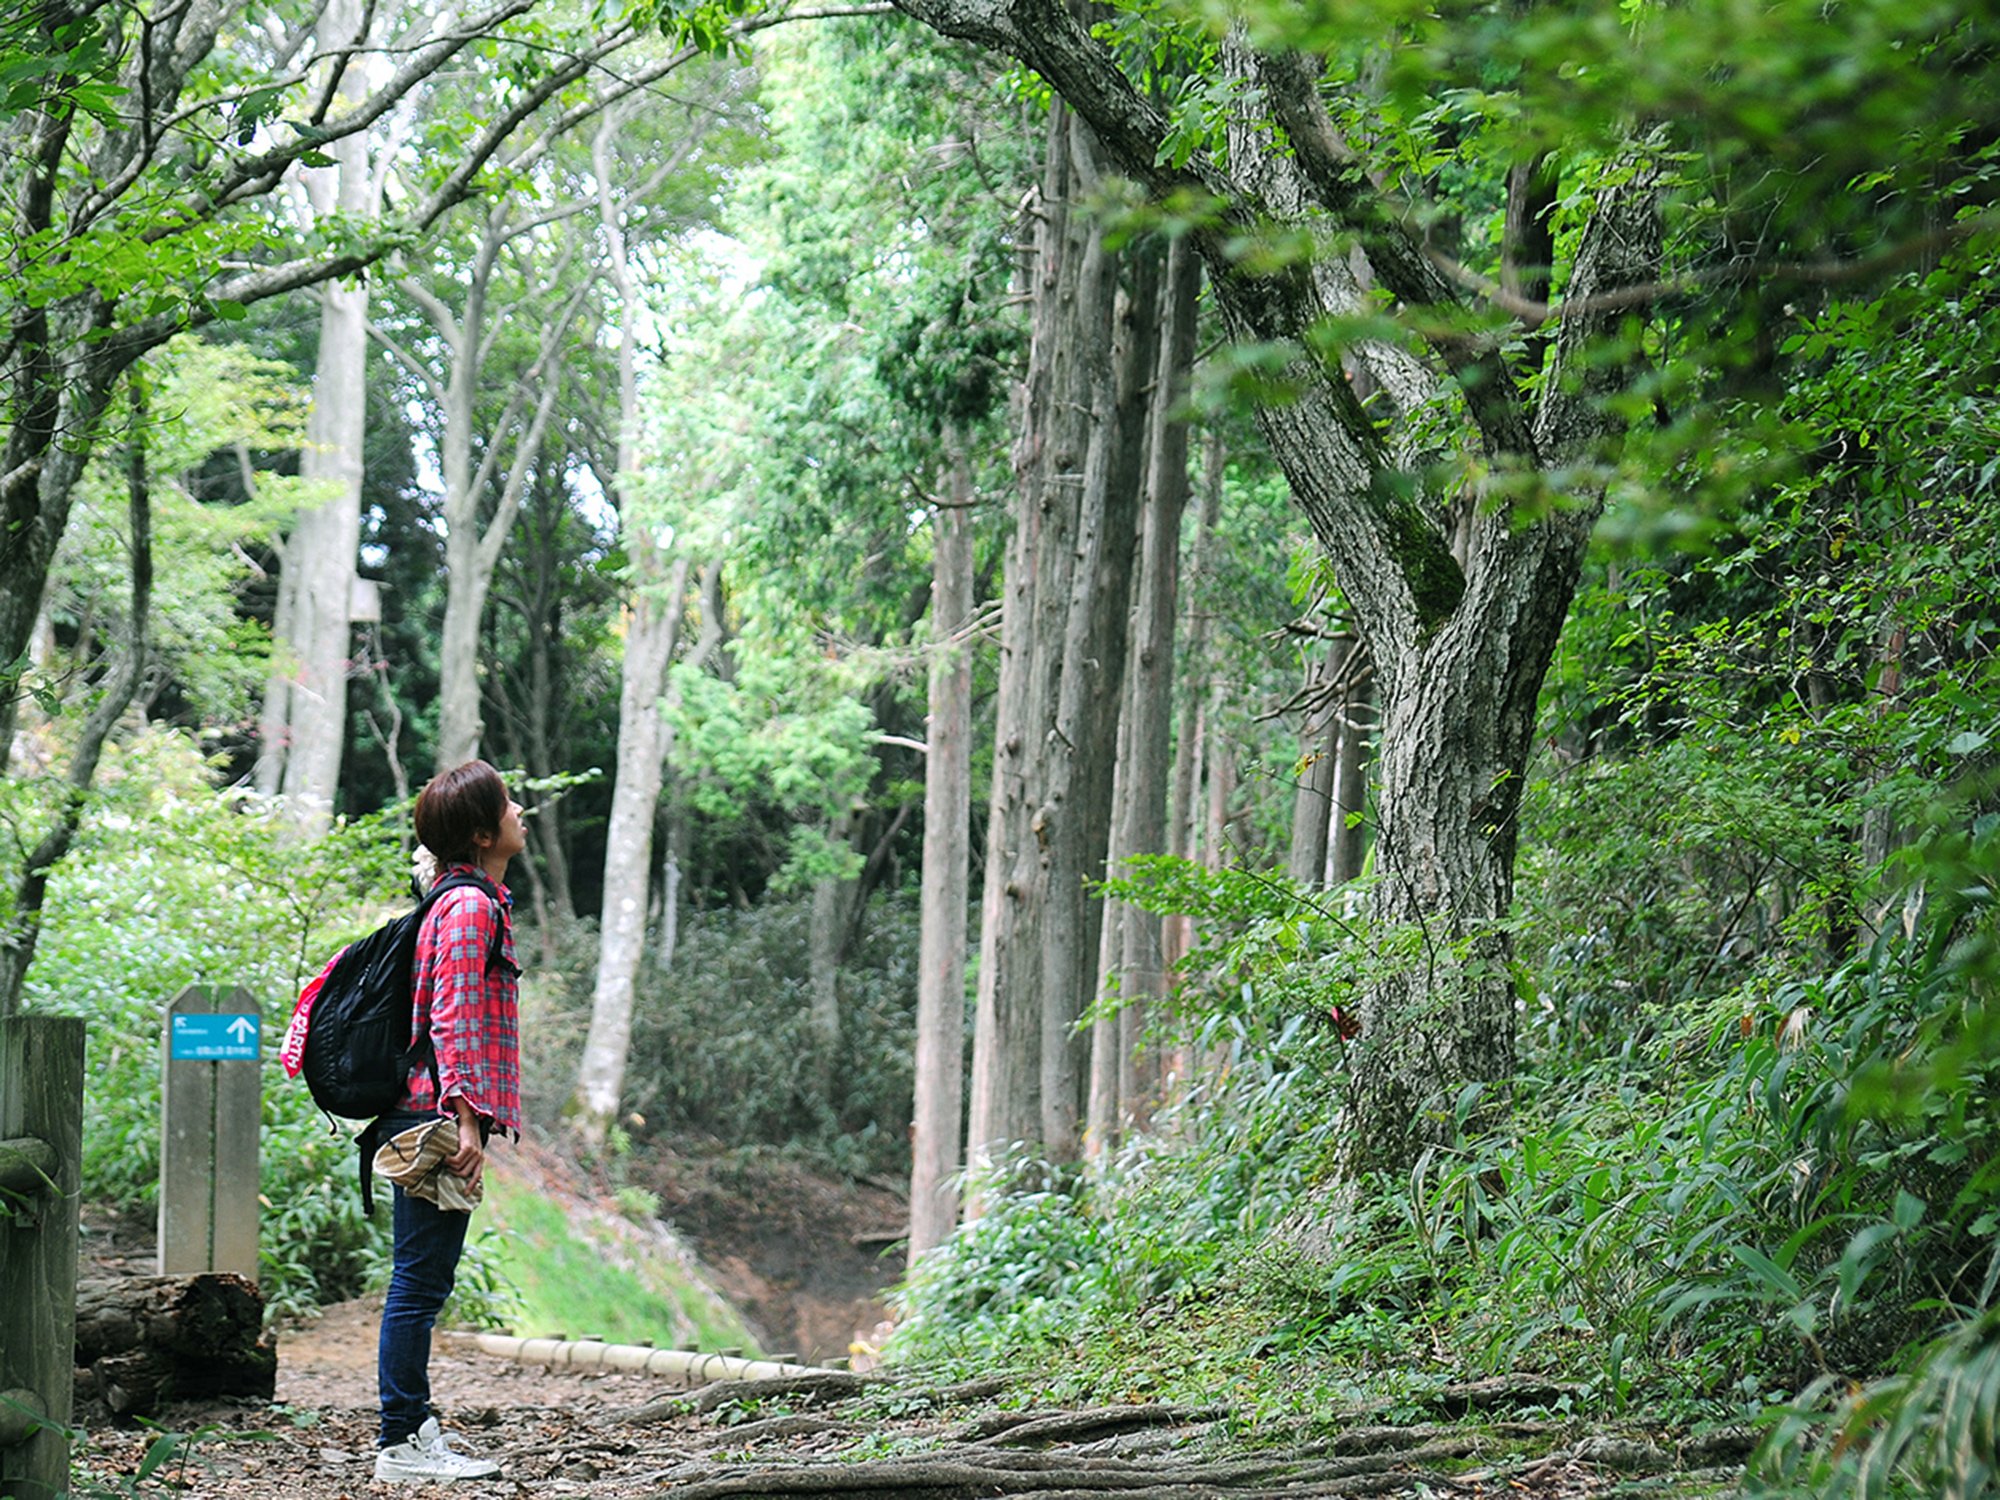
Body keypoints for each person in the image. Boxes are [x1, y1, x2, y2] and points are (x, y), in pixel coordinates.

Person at [373, 760, 526, 1484]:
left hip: (431, 1109)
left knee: (422, 1279)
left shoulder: (468, 899)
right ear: (480, 831)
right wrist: (466, 1121)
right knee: (420, 1283)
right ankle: (401, 1440)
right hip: (433, 1115)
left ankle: (412, 1431)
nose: (519, 811)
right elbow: (451, 1018)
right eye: (508, 804)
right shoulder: (467, 908)